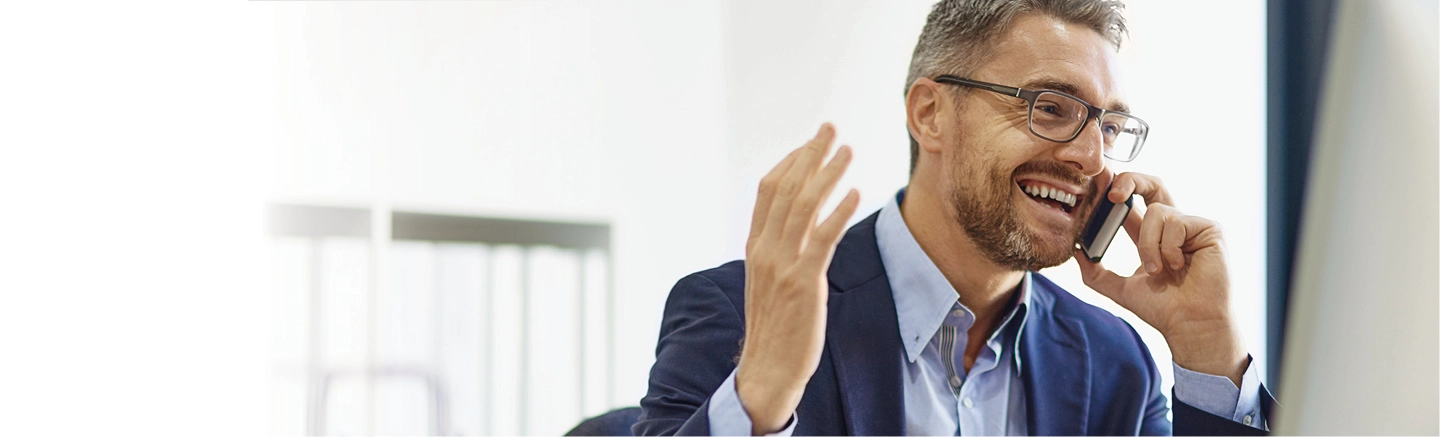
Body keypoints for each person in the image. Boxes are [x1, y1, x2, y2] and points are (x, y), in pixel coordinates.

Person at [634, 0, 1274, 435]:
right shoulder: (739, 313)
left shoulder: (1115, 364)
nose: (1090, 156)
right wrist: (762, 396)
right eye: (1051, 108)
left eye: (1109, 126)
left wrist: (1207, 347)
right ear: (930, 114)